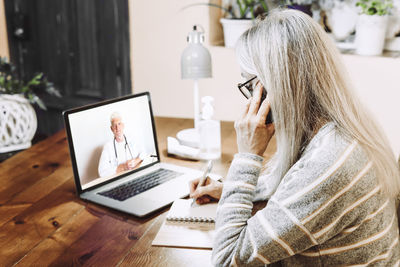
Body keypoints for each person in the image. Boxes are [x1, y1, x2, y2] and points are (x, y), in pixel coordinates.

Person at [190, 9, 400, 266]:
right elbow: (300, 188)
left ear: (271, 85)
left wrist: (247, 155)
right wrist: (234, 190)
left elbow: (225, 259)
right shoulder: (346, 129)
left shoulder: (329, 162)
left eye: (249, 85)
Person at [98, 112, 144, 178]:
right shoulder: (108, 147)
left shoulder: (132, 139)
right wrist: (123, 167)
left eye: (119, 124)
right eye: (114, 125)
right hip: (119, 179)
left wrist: (136, 161)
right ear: (111, 129)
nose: (117, 128)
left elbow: (144, 152)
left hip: (135, 175)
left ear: (123, 125)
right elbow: (102, 172)